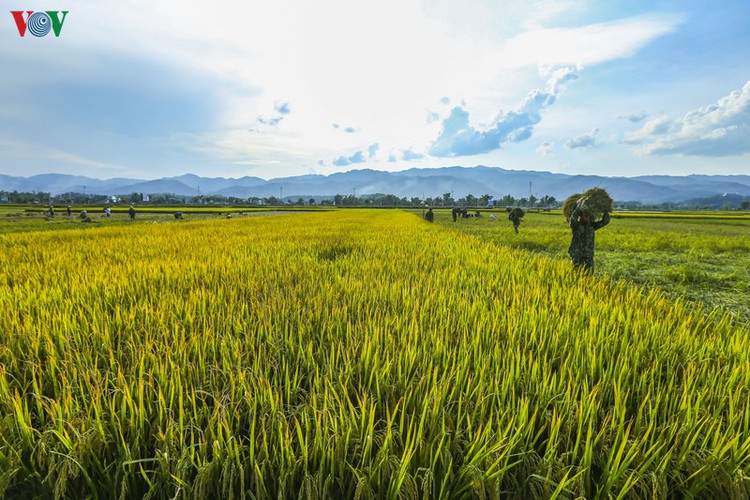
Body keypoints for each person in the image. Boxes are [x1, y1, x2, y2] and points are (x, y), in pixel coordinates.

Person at [568, 198, 610, 272]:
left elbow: (605, 221)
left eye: (588, 215)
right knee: (575, 275)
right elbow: (573, 218)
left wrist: (605, 210)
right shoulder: (575, 225)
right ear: (580, 216)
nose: (587, 217)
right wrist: (578, 206)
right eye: (585, 215)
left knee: (589, 276)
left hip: (588, 255)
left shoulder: (592, 226)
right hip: (577, 255)